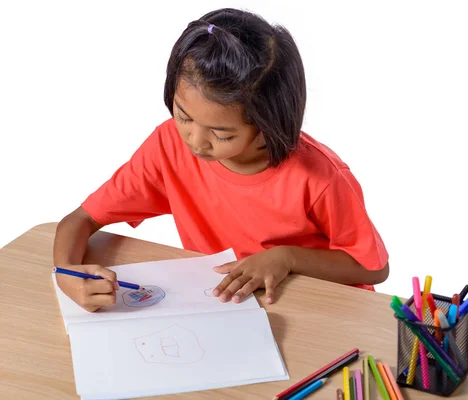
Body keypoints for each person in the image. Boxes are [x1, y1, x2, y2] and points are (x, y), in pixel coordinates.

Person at [53, 8, 389, 313]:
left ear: (268, 125)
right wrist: (65, 274)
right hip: (233, 307)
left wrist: (287, 258)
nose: (195, 142)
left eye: (221, 134)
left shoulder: (319, 178)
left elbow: (373, 267)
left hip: (324, 311)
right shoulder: (168, 146)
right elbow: (79, 220)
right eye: (183, 116)